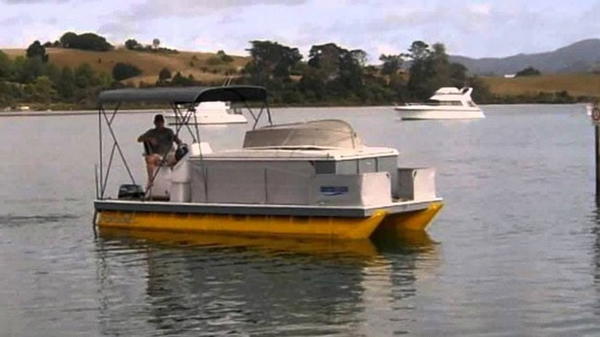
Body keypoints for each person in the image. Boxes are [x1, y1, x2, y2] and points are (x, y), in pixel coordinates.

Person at [137, 114, 182, 186]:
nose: (159, 124)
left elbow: (178, 141)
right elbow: (139, 139)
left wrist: (179, 144)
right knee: (149, 159)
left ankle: (177, 180)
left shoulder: (169, 131)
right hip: (157, 155)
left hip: (169, 154)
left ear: (163, 122)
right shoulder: (151, 132)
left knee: (179, 158)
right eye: (157, 122)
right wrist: (149, 139)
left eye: (161, 122)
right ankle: (151, 181)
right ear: (154, 123)